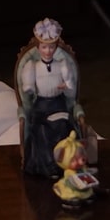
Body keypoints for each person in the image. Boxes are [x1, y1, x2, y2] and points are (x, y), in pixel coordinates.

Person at [16, 17, 86, 179]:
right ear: (39, 48)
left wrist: (65, 86)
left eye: (51, 47)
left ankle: (64, 165)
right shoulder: (32, 67)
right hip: (41, 106)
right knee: (41, 131)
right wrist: (30, 87)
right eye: (44, 47)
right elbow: (28, 91)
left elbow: (70, 91)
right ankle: (47, 167)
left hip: (58, 104)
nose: (47, 51)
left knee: (63, 127)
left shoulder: (62, 65)